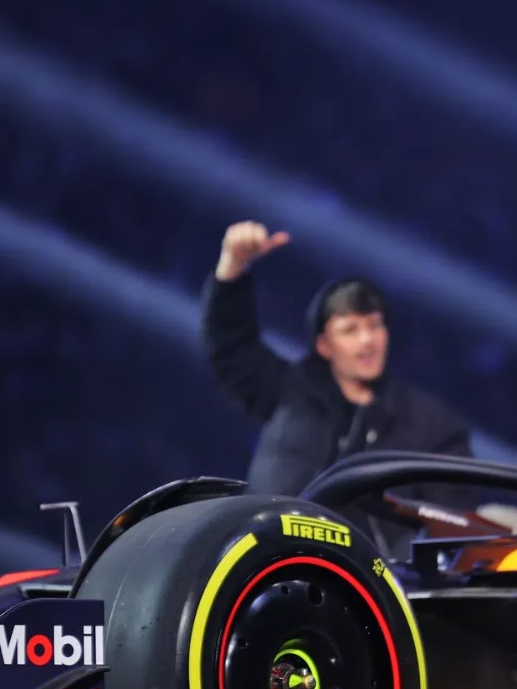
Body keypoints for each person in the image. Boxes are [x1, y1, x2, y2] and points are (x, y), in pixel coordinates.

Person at [201, 221, 472, 526]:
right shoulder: (288, 390)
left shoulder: (431, 425)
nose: (367, 339)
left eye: (374, 325)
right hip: (274, 556)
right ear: (324, 345)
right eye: (350, 329)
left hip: (373, 570)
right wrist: (233, 265)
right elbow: (230, 344)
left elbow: (451, 524)